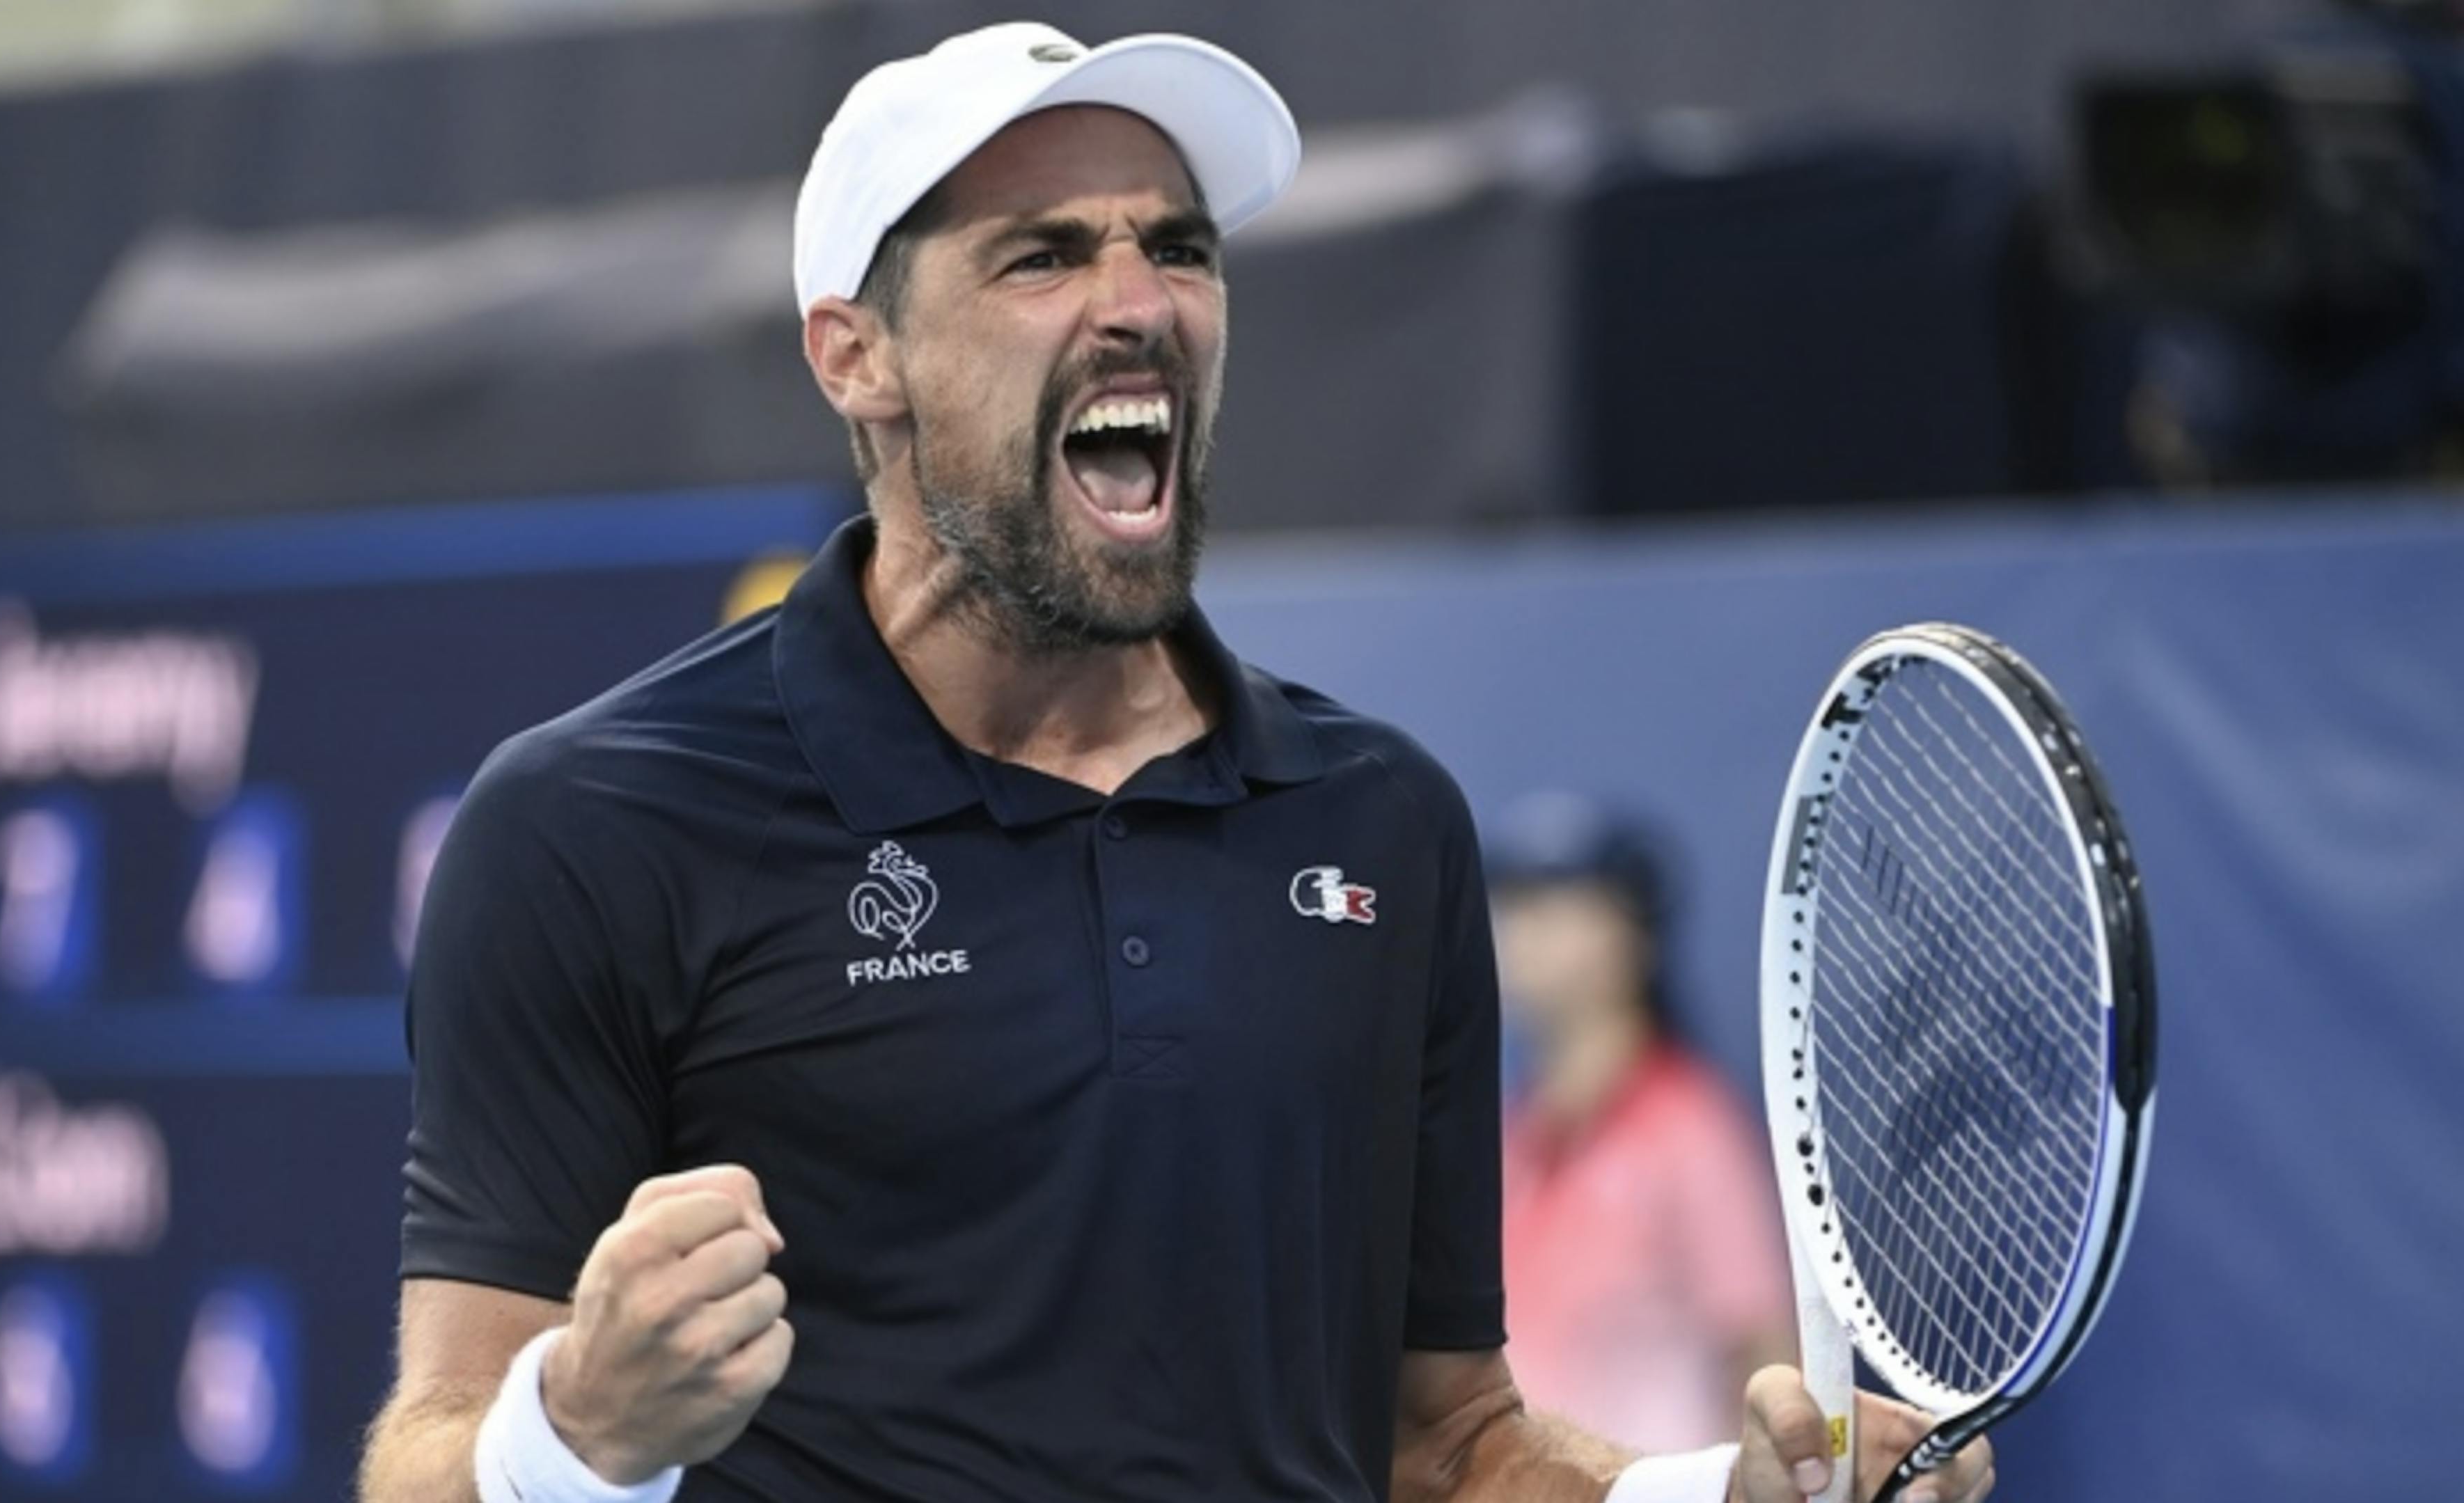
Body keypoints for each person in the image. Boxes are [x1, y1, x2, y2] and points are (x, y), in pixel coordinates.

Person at [356, 22, 1995, 1503]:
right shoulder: (593, 823)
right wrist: (572, 1430)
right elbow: (434, 1446)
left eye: (1178, 248)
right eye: (1041, 255)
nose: (1137, 303)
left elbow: (1443, 1442)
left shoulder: (1377, 821)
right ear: (855, 355)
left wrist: (1713, 1500)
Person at [1485, 792, 1796, 1452]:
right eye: (1511, 904)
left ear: (1629, 933)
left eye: (1551, 902)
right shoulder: (1511, 1142)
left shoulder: (1691, 1126)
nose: (1517, 929)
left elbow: (1769, 1353)